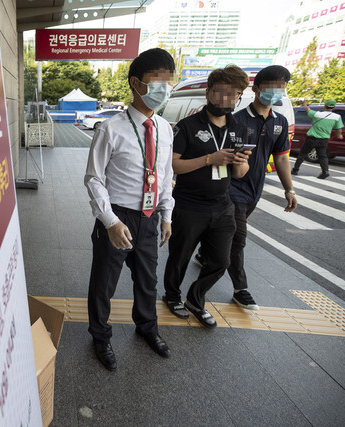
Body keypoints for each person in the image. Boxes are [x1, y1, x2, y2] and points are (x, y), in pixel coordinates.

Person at [85, 48, 175, 370]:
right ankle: (100, 336)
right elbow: (94, 179)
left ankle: (147, 328)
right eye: (157, 82)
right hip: (117, 217)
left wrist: (166, 215)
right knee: (104, 283)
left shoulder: (164, 129)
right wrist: (109, 221)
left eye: (169, 82)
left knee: (148, 280)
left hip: (149, 218)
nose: (164, 89)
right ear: (136, 83)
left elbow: (165, 175)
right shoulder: (111, 129)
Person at [194, 65, 298, 311]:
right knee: (238, 240)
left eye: (280, 87)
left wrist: (289, 190)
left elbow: (282, 158)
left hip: (254, 191)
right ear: (256, 89)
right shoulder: (236, 120)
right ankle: (241, 289)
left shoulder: (279, 123)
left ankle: (204, 252)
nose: (275, 92)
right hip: (231, 189)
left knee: (225, 237)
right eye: (270, 87)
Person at [162, 65, 251, 329]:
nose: (226, 99)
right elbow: (173, 167)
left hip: (223, 205)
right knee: (180, 256)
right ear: (209, 93)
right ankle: (172, 295)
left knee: (222, 260)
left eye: (233, 94)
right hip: (189, 204)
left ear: (238, 97)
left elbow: (241, 173)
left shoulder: (239, 128)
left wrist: (240, 161)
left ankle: (195, 298)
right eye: (221, 93)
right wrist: (209, 159)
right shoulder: (188, 126)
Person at [292, 99, 344, 179]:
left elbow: (307, 110)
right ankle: (325, 172)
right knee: (322, 156)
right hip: (323, 140)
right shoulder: (337, 117)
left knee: (302, 154)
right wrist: (339, 135)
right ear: (333, 107)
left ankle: (295, 170)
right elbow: (339, 129)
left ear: (325, 106)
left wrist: (304, 104)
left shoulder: (317, 114)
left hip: (311, 138)